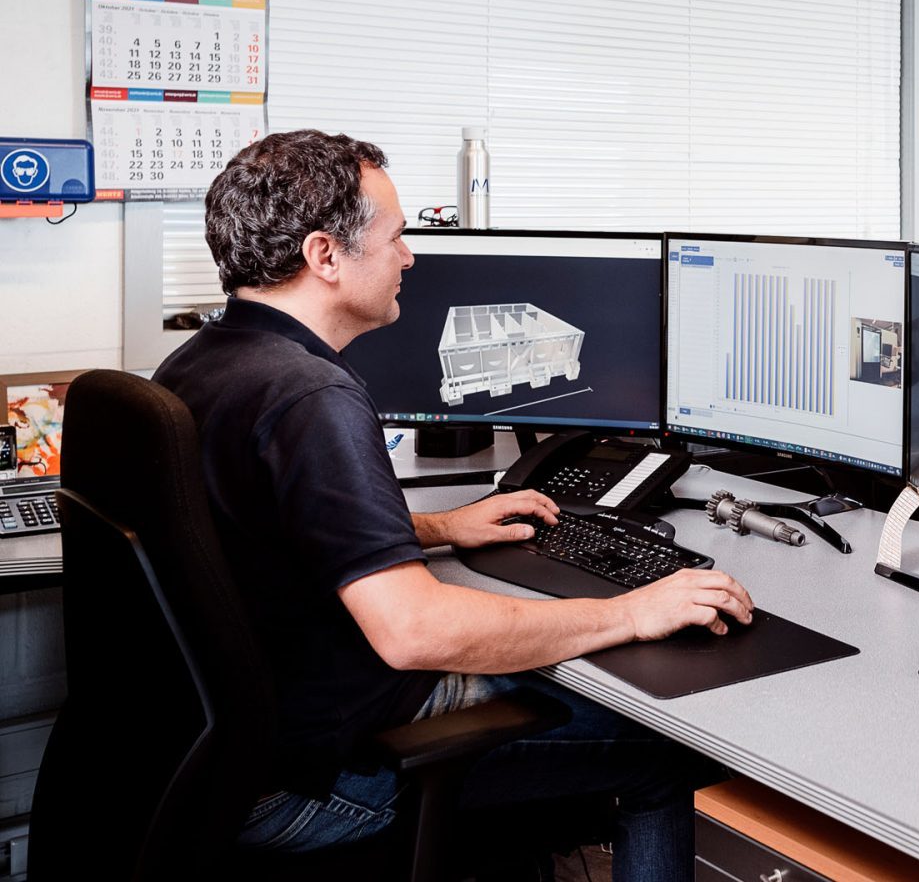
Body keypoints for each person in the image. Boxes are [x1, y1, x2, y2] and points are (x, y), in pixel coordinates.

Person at [154, 130, 750, 881]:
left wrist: (436, 527)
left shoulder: (201, 362)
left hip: (215, 760)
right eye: (398, 237)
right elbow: (415, 633)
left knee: (554, 665)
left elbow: (257, 530)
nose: (411, 257)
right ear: (324, 255)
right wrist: (634, 611)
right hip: (318, 782)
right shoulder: (311, 396)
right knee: (667, 751)